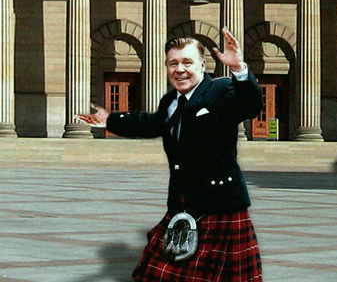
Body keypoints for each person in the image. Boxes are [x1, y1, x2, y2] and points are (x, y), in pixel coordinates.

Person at [76, 28, 263, 281]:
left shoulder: (220, 92)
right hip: (182, 202)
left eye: (187, 62)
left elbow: (249, 104)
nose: (180, 69)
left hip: (220, 204)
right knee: (156, 272)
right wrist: (110, 120)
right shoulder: (170, 102)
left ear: (202, 65)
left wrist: (239, 68)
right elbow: (150, 124)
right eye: (173, 63)